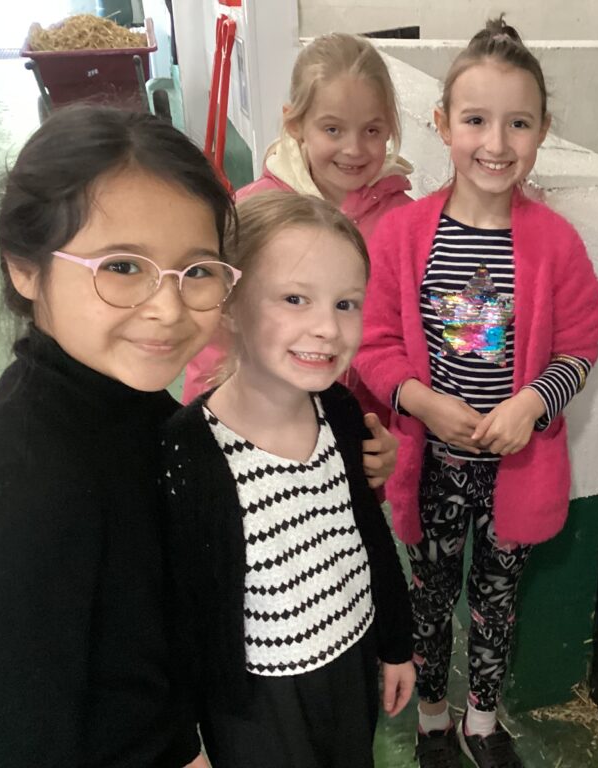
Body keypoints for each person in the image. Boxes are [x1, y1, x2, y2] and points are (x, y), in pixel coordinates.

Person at [355, 16, 598, 768]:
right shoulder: (402, 236)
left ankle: (482, 722)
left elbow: (579, 346)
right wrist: (423, 402)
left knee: (496, 605)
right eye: (475, 120)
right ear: (442, 125)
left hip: (513, 471)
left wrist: (532, 404)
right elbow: (374, 344)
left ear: (542, 131)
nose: (496, 143)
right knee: (429, 601)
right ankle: (433, 719)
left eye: (518, 123)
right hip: (431, 465)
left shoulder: (556, 243)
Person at [0, 104, 235, 767]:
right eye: (122, 267)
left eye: (198, 271)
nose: (168, 309)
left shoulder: (129, 401)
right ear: (25, 266)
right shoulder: (29, 480)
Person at [163, 191, 415, 767]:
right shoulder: (189, 450)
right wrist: (182, 743)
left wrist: (396, 643)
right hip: (257, 704)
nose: (327, 327)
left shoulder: (341, 412)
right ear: (230, 305)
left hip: (351, 665)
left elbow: (368, 535)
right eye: (295, 298)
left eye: (346, 303)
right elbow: (179, 610)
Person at [182, 32, 412, 420]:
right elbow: (214, 331)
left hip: (362, 427)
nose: (354, 149)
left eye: (371, 130)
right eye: (333, 129)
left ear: (389, 128)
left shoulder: (406, 222)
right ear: (295, 123)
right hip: (259, 422)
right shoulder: (252, 211)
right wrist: (204, 419)